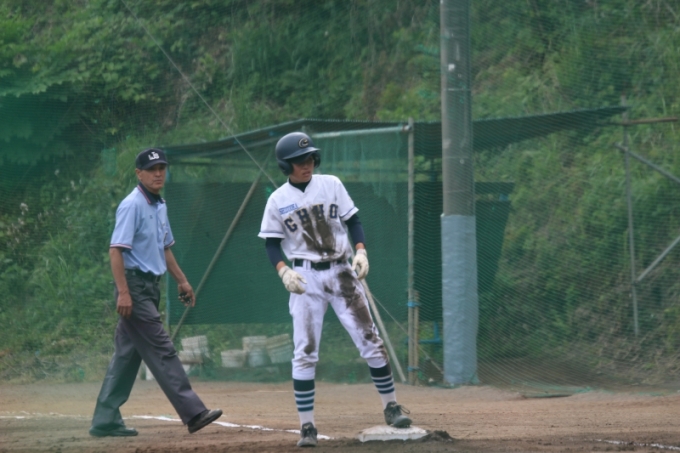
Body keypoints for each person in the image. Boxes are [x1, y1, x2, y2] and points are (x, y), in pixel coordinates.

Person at [258, 132, 412, 448]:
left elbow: (353, 221)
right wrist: (283, 271)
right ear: (285, 165)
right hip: (305, 278)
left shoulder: (331, 184)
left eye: (310, 158)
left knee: (370, 339)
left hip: (342, 271)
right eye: (299, 161)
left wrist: (361, 251)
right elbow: (272, 244)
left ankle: (392, 407)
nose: (307, 164)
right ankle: (307, 427)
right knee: (305, 351)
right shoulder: (277, 200)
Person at [89, 148, 222, 437]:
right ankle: (193, 413)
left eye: (161, 168)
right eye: (152, 169)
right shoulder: (132, 205)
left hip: (150, 287)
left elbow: (165, 248)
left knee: (126, 357)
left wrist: (182, 281)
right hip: (134, 288)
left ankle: (105, 419)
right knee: (162, 348)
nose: (158, 173)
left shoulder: (160, 204)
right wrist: (124, 293)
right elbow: (115, 251)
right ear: (139, 173)